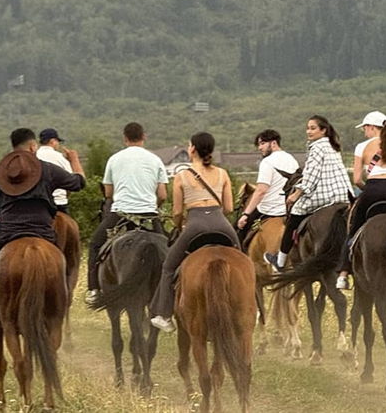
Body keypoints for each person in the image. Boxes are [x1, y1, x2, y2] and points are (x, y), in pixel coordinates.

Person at [0, 128, 86, 336]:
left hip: (7, 235)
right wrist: (75, 161)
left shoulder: (1, 172)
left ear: (13, 147)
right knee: (64, 266)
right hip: (44, 233)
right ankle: (59, 311)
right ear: (33, 146)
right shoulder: (47, 169)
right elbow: (78, 183)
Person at [150, 132, 240, 332]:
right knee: (244, 263)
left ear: (192, 149)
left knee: (168, 267)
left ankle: (164, 315)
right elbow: (229, 208)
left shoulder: (182, 176)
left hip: (195, 224)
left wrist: (179, 224)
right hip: (221, 223)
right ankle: (254, 305)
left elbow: (176, 211)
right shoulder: (223, 174)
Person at [85, 122, 168, 305]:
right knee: (169, 249)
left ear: (125, 138)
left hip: (121, 214)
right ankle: (170, 292)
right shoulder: (155, 160)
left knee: (95, 244)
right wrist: (154, 204)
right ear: (143, 136)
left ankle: (93, 289)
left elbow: (108, 194)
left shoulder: (114, 159)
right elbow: (162, 195)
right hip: (149, 215)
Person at [264, 115, 353, 273]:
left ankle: (281, 261)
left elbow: (311, 175)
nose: (309, 131)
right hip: (343, 195)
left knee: (294, 217)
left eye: (313, 128)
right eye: (308, 128)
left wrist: (296, 194)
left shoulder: (317, 147)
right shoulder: (333, 146)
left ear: (323, 130)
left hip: (325, 195)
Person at [336, 111, 386, 290]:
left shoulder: (361, 147)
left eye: (365, 128)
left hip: (372, 190)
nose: (364, 132)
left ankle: (343, 274)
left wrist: (369, 190)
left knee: (353, 229)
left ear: (371, 127)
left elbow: (356, 180)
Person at [236, 129, 300, 247]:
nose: (260, 148)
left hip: (270, 209)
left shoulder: (267, 162)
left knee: (239, 230)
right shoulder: (292, 159)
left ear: (273, 143)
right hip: (289, 209)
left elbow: (261, 191)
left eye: (262, 143)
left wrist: (245, 214)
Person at [36, 128, 73, 214]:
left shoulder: (33, 156)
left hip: (39, 204)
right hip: (59, 203)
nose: (58, 145)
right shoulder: (60, 157)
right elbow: (71, 181)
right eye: (57, 142)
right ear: (52, 141)